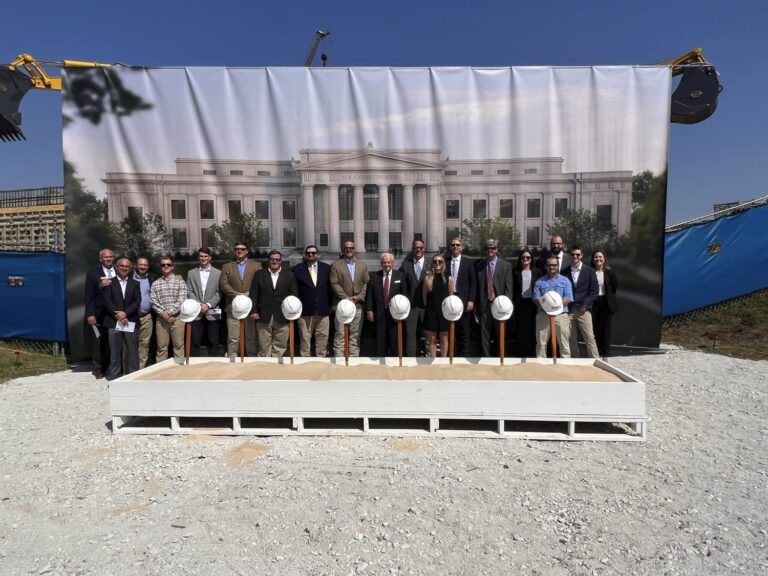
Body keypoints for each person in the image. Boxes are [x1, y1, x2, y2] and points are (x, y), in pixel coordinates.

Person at [248, 250, 298, 357]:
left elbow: (294, 295)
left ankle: (276, 365)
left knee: (280, 343)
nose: (274, 262)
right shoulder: (259, 274)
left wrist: (292, 312)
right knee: (263, 344)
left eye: (277, 260)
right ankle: (264, 366)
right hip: (263, 314)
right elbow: (254, 294)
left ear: (281, 261)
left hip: (283, 315)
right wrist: (253, 311)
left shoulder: (289, 275)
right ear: (268, 261)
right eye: (272, 259)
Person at [220, 242, 262, 357]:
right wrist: (237, 294)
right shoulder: (227, 266)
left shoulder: (256, 265)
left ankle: (252, 358)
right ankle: (232, 357)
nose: (240, 251)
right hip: (232, 305)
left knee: (251, 336)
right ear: (234, 251)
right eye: (237, 249)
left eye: (242, 249)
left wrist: (250, 295)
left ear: (247, 251)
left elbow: (260, 283)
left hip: (250, 305)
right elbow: (223, 284)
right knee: (233, 336)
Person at [102, 257, 141, 380]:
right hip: (113, 322)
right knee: (114, 352)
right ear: (116, 267)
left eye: (127, 267)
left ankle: (133, 377)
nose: (124, 268)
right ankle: (115, 377)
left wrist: (125, 314)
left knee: (133, 352)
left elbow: (137, 301)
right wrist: (117, 315)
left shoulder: (135, 283)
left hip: (130, 321)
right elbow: (107, 301)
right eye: (121, 266)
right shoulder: (109, 283)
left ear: (130, 269)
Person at [474, 239, 513, 357]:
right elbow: (477, 286)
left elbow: (509, 287)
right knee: (484, 335)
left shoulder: (506, 266)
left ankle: (501, 357)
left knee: (500, 334)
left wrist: (507, 305)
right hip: (484, 305)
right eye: (487, 248)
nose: (490, 250)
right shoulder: (479, 265)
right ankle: (486, 358)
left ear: (497, 250)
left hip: (500, 306)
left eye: (492, 248)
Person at [330, 240, 369, 357]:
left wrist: (360, 296)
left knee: (355, 335)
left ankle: (354, 360)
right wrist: (346, 298)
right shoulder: (336, 265)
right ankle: (339, 360)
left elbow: (366, 282)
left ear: (354, 249)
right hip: (341, 305)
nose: (349, 250)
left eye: (351, 248)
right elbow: (334, 283)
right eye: (346, 248)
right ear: (343, 249)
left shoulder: (362, 264)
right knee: (340, 334)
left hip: (358, 305)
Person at [366, 252, 409, 357]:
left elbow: (404, 295)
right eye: (384, 262)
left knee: (394, 339)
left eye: (389, 262)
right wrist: (369, 310)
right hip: (379, 313)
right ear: (381, 263)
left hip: (395, 314)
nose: (386, 264)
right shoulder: (375, 276)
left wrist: (403, 313)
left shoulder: (400, 276)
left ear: (393, 263)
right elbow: (370, 295)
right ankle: (381, 362)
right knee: (381, 340)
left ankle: (395, 361)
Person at [292, 245, 332, 357]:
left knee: (323, 337)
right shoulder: (297, 269)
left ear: (318, 254)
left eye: (313, 253)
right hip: (304, 311)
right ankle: (305, 362)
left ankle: (321, 360)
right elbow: (294, 290)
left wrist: (330, 306)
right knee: (305, 338)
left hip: (323, 310)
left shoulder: (326, 268)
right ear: (305, 255)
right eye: (308, 253)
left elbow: (330, 289)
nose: (311, 255)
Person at [562, 245, 600, 358]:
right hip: (568, 310)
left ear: (581, 255)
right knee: (570, 338)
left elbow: (594, 291)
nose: (575, 256)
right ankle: (574, 361)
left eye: (577, 254)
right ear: (570, 255)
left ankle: (596, 361)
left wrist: (585, 304)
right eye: (573, 254)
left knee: (589, 337)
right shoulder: (564, 272)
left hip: (583, 309)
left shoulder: (590, 271)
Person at [532, 256, 573, 358]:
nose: (552, 267)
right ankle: (541, 367)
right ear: (546, 266)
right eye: (549, 265)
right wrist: (547, 308)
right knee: (541, 343)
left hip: (561, 315)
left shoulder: (565, 281)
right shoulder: (539, 282)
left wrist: (555, 307)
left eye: (554, 265)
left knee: (564, 343)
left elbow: (568, 297)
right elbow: (536, 299)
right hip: (543, 315)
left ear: (558, 266)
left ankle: (565, 366)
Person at [84, 248, 115, 379]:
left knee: (114, 340)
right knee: (100, 341)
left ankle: (114, 366)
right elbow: (88, 296)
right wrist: (90, 314)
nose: (108, 259)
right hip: (100, 312)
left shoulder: (120, 271)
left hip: (116, 312)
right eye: (106, 257)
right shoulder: (92, 274)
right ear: (100, 259)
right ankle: (99, 368)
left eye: (111, 257)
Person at [186, 247, 222, 357]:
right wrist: (199, 304)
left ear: (210, 257)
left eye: (205, 256)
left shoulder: (219, 273)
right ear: (198, 257)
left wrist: (208, 304)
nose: (203, 258)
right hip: (196, 310)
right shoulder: (191, 273)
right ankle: (194, 367)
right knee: (195, 340)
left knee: (214, 340)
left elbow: (220, 292)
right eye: (201, 256)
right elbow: (189, 291)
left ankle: (214, 365)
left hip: (214, 309)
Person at [150, 256, 187, 362]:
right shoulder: (155, 283)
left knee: (178, 347)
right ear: (160, 267)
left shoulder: (180, 282)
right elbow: (153, 301)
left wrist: (169, 313)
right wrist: (163, 314)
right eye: (163, 265)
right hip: (161, 320)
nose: (166, 266)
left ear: (173, 266)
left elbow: (182, 299)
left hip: (177, 318)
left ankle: (179, 372)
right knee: (161, 348)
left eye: (168, 264)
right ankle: (161, 374)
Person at [446, 237, 476, 356]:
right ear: (450, 247)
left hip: (464, 300)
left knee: (464, 329)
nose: (455, 247)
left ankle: (464, 356)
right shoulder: (445, 262)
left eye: (458, 245)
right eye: (453, 245)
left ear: (461, 247)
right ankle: (452, 354)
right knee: (450, 329)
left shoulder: (468, 263)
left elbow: (473, 283)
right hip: (449, 299)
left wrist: (471, 300)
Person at [399, 239, 428, 356]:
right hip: (411, 306)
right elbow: (401, 283)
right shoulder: (406, 265)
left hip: (427, 305)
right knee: (410, 333)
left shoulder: (432, 264)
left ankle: (427, 356)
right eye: (416, 247)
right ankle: (411, 357)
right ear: (412, 249)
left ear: (424, 248)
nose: (418, 249)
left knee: (428, 333)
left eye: (421, 247)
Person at [512, 248, 542, 358]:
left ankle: (531, 353)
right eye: (523, 257)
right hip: (520, 304)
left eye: (528, 257)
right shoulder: (515, 272)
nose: (525, 259)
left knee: (533, 328)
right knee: (520, 329)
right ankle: (521, 352)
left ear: (531, 259)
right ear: (520, 259)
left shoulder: (537, 272)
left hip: (533, 304)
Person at [590, 249, 619, 361]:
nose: (598, 259)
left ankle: (605, 356)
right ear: (593, 259)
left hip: (606, 304)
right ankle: (596, 354)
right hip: (593, 303)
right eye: (596, 257)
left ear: (604, 259)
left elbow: (614, 288)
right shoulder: (590, 272)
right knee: (595, 330)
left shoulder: (610, 273)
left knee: (605, 331)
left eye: (600, 257)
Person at [422, 254, 453, 357]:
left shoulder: (448, 278)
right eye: (435, 261)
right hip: (431, 311)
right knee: (432, 338)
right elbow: (424, 297)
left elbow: (451, 296)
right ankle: (433, 360)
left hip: (444, 312)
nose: (437, 263)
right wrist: (429, 309)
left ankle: (444, 359)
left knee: (444, 337)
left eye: (440, 261)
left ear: (443, 263)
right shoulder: (428, 278)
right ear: (432, 264)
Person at [133, 256, 157, 368]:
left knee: (144, 343)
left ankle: (141, 367)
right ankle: (129, 367)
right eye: (140, 264)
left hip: (147, 316)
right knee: (130, 343)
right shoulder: (127, 276)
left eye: (145, 265)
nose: (143, 267)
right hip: (131, 317)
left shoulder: (152, 277)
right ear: (136, 265)